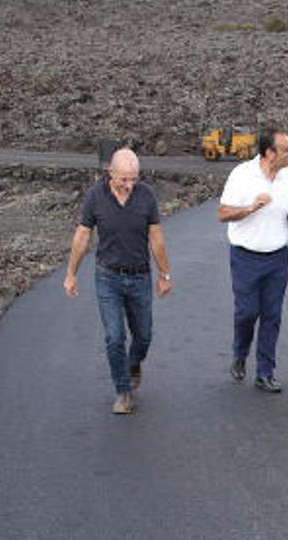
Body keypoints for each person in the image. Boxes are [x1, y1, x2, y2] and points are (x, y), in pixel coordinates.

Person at [64, 149, 173, 415]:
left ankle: (133, 362)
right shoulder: (95, 197)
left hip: (139, 276)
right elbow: (82, 237)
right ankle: (123, 392)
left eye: (134, 178)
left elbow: (156, 237)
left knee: (144, 335)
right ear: (110, 173)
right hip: (108, 277)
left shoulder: (146, 196)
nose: (129, 185)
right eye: (124, 179)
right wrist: (71, 274)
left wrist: (164, 274)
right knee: (114, 337)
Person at [217, 128, 288, 393]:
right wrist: (250, 208)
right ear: (269, 153)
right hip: (245, 256)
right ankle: (240, 353)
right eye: (287, 149)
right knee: (247, 312)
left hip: (277, 257)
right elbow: (222, 214)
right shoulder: (243, 175)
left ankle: (265, 373)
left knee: (272, 315)